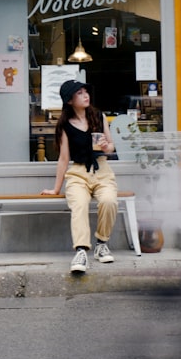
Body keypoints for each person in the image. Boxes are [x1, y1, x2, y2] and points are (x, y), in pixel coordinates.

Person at [41, 79, 118, 273]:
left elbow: (111, 147)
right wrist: (56, 189)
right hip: (78, 174)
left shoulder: (99, 117)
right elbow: (63, 159)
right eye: (79, 93)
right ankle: (81, 251)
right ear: (69, 101)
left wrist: (105, 146)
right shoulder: (65, 125)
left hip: (101, 170)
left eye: (86, 91)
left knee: (109, 201)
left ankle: (102, 243)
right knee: (79, 205)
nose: (86, 95)